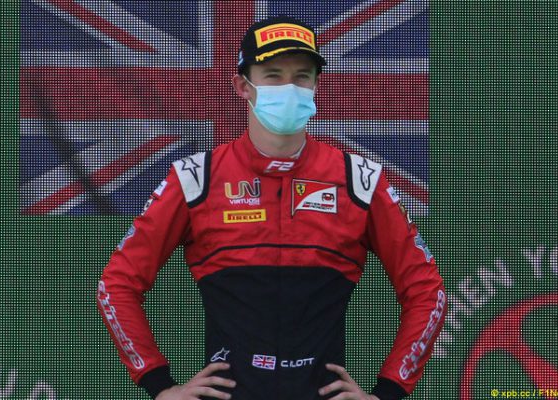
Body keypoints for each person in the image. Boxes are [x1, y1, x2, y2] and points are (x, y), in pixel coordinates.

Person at [97, 15, 446, 400]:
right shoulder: (197, 178)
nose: (289, 88)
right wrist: (160, 385)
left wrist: (388, 391)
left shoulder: (359, 181)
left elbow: (427, 292)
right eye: (273, 75)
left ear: (316, 85)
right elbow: (116, 285)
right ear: (242, 86)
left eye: (302, 76)